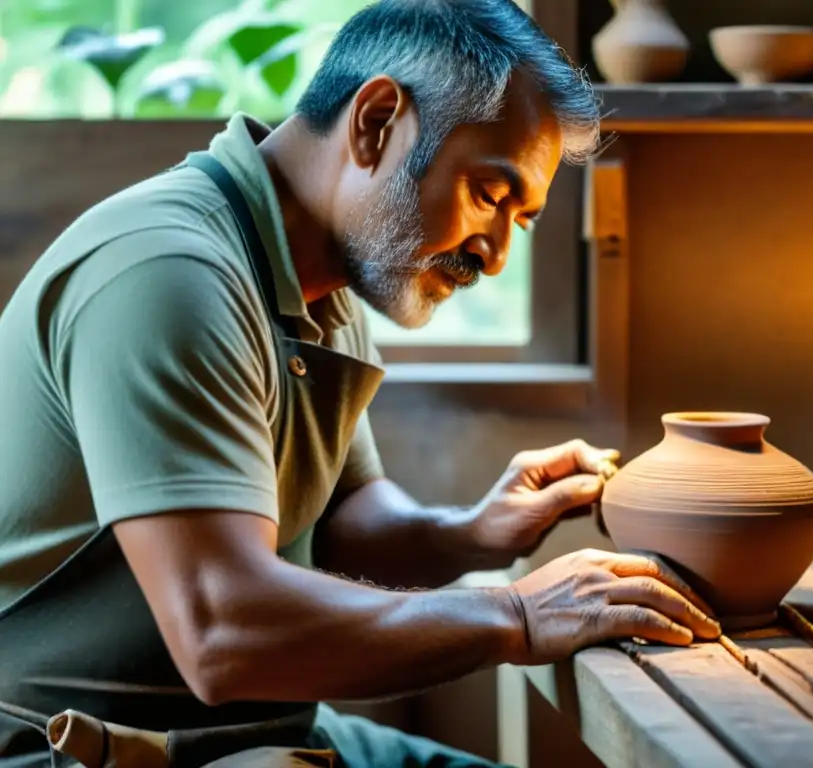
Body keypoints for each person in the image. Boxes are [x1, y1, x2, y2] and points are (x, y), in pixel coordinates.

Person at [0, 1, 720, 765]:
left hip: (255, 735)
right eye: (490, 196)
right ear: (377, 122)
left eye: (522, 219)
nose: (498, 255)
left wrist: (473, 533)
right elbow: (225, 632)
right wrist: (519, 615)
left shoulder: (322, 280)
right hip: (86, 749)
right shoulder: (169, 274)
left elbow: (341, 529)